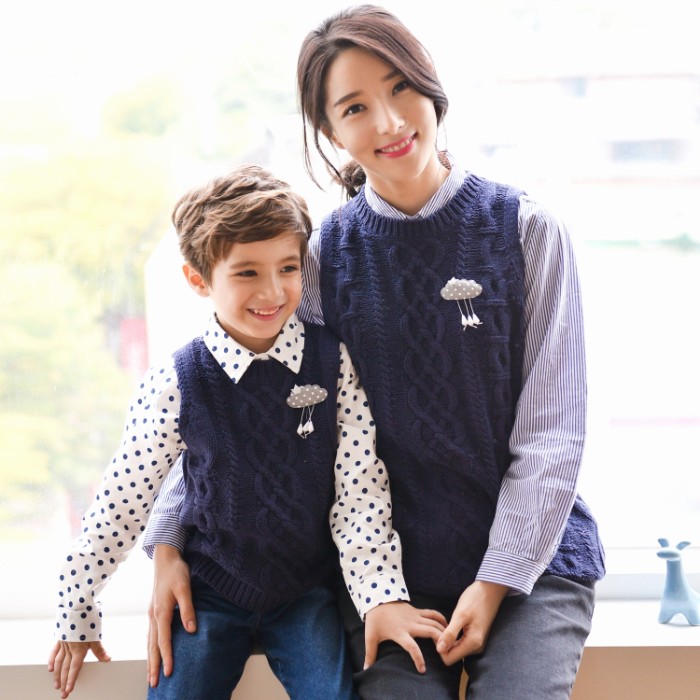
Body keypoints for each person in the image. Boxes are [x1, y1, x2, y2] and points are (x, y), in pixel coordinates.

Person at [146, 5, 606, 699]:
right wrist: (169, 539)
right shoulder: (323, 259)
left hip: (532, 565)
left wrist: (496, 580)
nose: (389, 122)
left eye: (400, 88)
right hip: (388, 576)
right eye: (356, 107)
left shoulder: (528, 230)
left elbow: (553, 435)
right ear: (330, 131)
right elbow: (245, 408)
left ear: (431, 86)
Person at [48, 163, 438, 700]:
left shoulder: (332, 361)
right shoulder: (176, 381)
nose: (273, 291)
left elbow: (360, 491)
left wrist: (379, 596)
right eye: (247, 272)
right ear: (198, 279)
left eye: (288, 267)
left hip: (307, 592)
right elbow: (122, 500)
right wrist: (76, 606)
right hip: (208, 594)